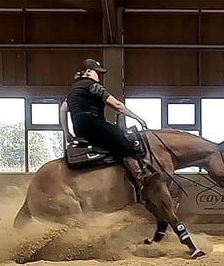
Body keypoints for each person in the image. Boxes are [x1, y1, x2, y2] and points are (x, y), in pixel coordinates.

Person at [60, 58, 157, 199]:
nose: (98, 76)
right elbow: (117, 105)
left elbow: (63, 110)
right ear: (88, 72)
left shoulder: (73, 89)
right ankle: (141, 176)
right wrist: (137, 118)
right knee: (123, 140)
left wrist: (66, 132)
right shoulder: (92, 86)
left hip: (80, 128)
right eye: (96, 72)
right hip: (94, 124)